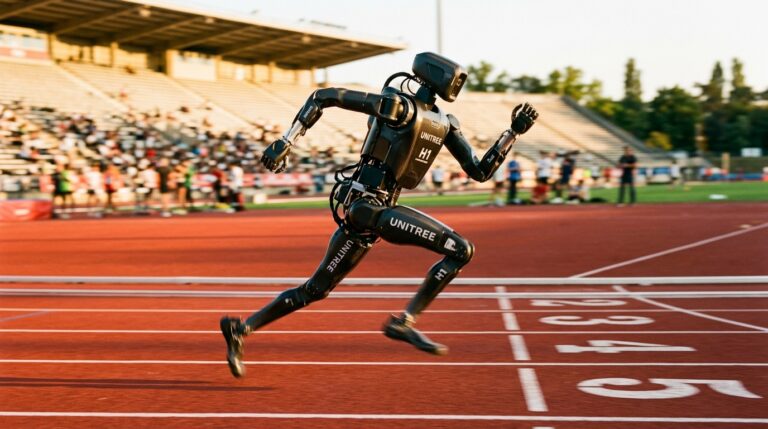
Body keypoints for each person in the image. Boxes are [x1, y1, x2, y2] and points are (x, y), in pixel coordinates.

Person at [220, 52, 539, 378]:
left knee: (315, 290)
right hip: (365, 207)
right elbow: (324, 96)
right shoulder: (397, 107)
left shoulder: (444, 123)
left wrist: (511, 133)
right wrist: (286, 141)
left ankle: (240, 329)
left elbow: (480, 171)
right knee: (460, 249)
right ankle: (403, 323)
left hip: (372, 218)